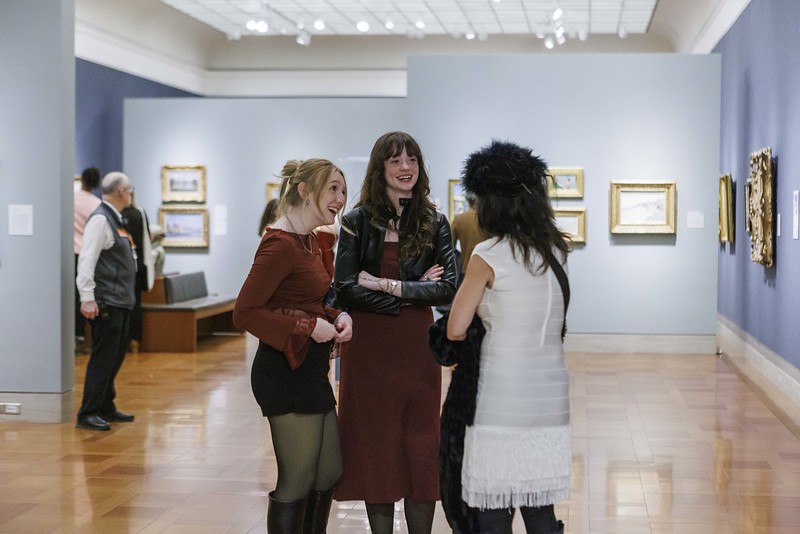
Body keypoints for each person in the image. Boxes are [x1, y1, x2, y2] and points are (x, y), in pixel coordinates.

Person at [333, 131, 458, 534]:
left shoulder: (435, 221)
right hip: (369, 349)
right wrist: (412, 293)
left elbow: (448, 289)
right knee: (376, 446)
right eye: (395, 161)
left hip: (416, 347)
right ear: (380, 168)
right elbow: (345, 287)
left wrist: (387, 285)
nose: (405, 168)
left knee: (421, 444)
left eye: (412, 160)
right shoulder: (355, 221)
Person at [446, 140, 572, 534]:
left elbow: (455, 327)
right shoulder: (555, 250)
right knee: (539, 509)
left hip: (500, 398)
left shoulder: (488, 254)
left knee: (493, 508)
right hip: (550, 397)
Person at [233, 159, 353, 534]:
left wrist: (335, 316)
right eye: (332, 189)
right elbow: (245, 313)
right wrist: (306, 326)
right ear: (304, 190)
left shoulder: (310, 241)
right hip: (284, 372)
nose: (340, 199)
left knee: (328, 470)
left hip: (309, 369)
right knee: (297, 479)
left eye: (343, 191)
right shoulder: (279, 244)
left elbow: (309, 299)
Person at [75, 171, 138, 431]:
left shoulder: (115, 218)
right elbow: (86, 261)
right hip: (106, 302)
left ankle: (105, 405)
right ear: (122, 191)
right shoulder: (101, 220)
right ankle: (88, 412)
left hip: (120, 301)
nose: (131, 193)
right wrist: (87, 298)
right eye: (130, 189)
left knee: (114, 357)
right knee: (103, 358)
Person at [121, 191, 155, 353]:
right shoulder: (140, 213)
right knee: (135, 304)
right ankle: (135, 340)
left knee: (123, 305)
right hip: (138, 265)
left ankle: (124, 340)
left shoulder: (117, 214)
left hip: (121, 267)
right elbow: (147, 239)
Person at [74, 166, 101, 351]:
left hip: (67, 254)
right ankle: (81, 337)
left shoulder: (70, 199)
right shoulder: (96, 204)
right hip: (85, 253)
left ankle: (71, 338)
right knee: (81, 298)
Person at [450, 192, 487, 285]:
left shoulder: (459, 219)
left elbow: (450, 247)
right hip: (487, 269)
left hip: (466, 269)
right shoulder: (488, 220)